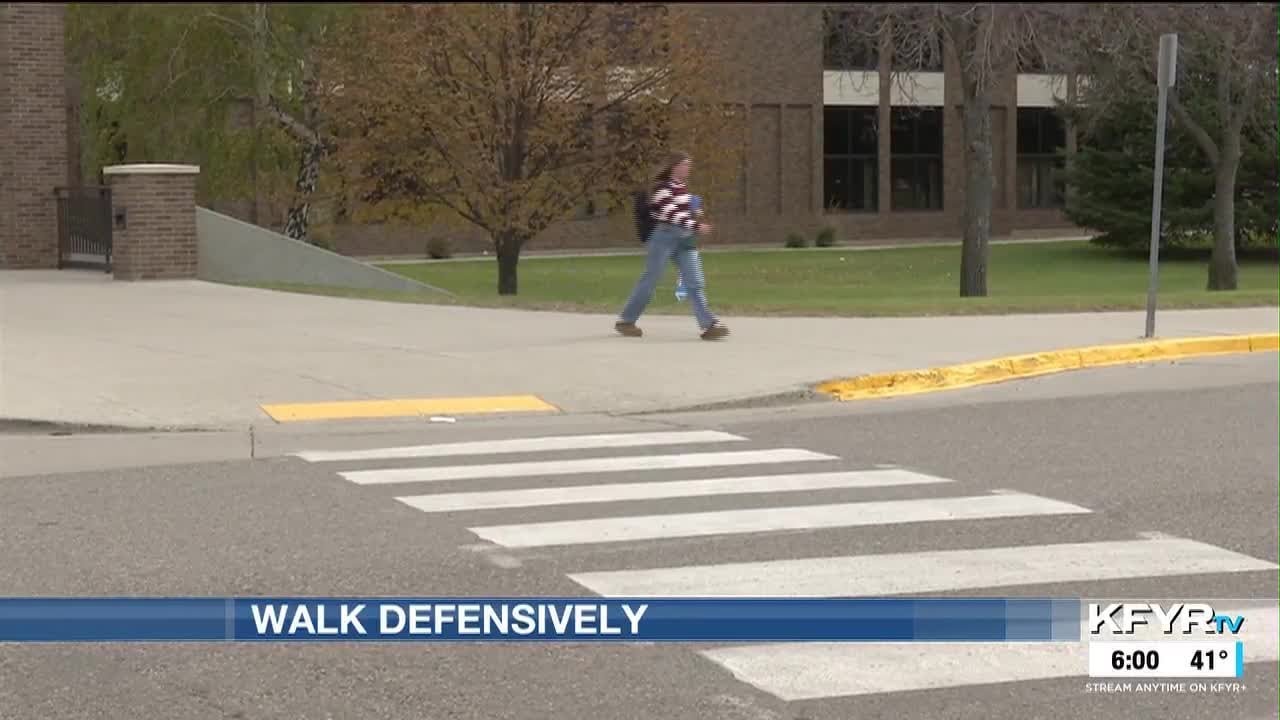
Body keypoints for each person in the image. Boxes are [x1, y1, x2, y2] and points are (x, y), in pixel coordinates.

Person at [615, 152, 729, 340]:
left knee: (695, 282)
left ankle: (709, 325)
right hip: (664, 238)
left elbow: (682, 211)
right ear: (674, 166)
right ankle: (626, 321)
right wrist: (696, 225)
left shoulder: (682, 187)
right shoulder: (662, 188)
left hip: (684, 238)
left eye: (689, 164)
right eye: (685, 164)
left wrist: (695, 211)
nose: (688, 168)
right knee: (651, 279)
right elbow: (671, 214)